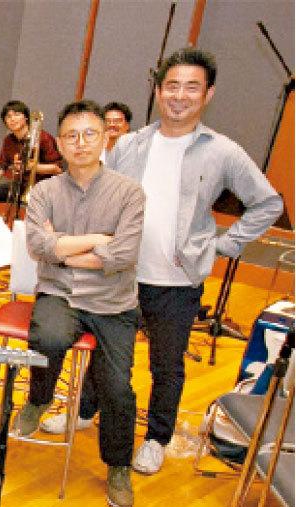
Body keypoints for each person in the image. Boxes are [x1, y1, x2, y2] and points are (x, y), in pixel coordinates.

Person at [71, 48, 283, 476]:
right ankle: (85, 412)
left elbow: (268, 203)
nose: (180, 96)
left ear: (208, 94)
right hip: (123, 275)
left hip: (177, 283)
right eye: (172, 86)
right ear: (158, 90)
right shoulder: (129, 144)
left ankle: (156, 438)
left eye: (191, 87)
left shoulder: (222, 151)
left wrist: (223, 245)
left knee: (166, 366)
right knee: (107, 353)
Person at [14, 100, 146, 507]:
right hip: (60, 292)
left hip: (112, 302)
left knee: (117, 388)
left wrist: (62, 247)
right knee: (48, 337)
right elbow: (37, 246)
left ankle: (118, 466)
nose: (81, 143)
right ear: (60, 143)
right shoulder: (44, 192)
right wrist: (96, 241)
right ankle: (39, 399)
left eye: (90, 134)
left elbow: (122, 256)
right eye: (71, 136)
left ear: (105, 138)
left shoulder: (129, 193)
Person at [0, 100, 63, 216]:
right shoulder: (8, 140)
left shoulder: (43, 138)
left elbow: (57, 169)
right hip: (21, 185)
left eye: (17, 114)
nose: (12, 119)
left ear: (26, 117)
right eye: (8, 116)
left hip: (44, 188)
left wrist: (30, 167)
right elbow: (2, 165)